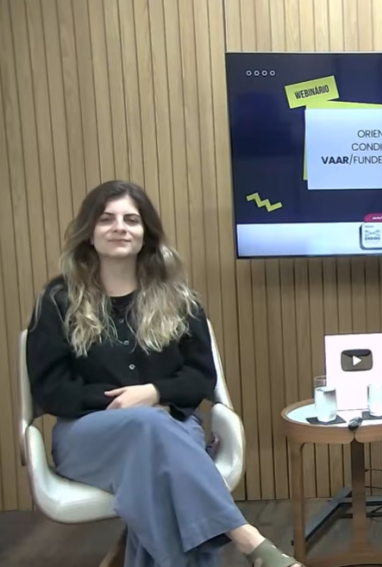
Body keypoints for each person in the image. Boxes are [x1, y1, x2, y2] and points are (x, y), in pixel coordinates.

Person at [25, 181, 302, 567]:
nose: (119, 227)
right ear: (89, 231)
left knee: (151, 476)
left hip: (170, 427)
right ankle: (249, 540)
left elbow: (201, 377)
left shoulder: (179, 298)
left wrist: (153, 393)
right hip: (88, 438)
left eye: (131, 219)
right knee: (148, 426)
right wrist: (122, 403)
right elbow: (50, 387)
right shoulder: (58, 300)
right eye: (106, 219)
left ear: (146, 233)